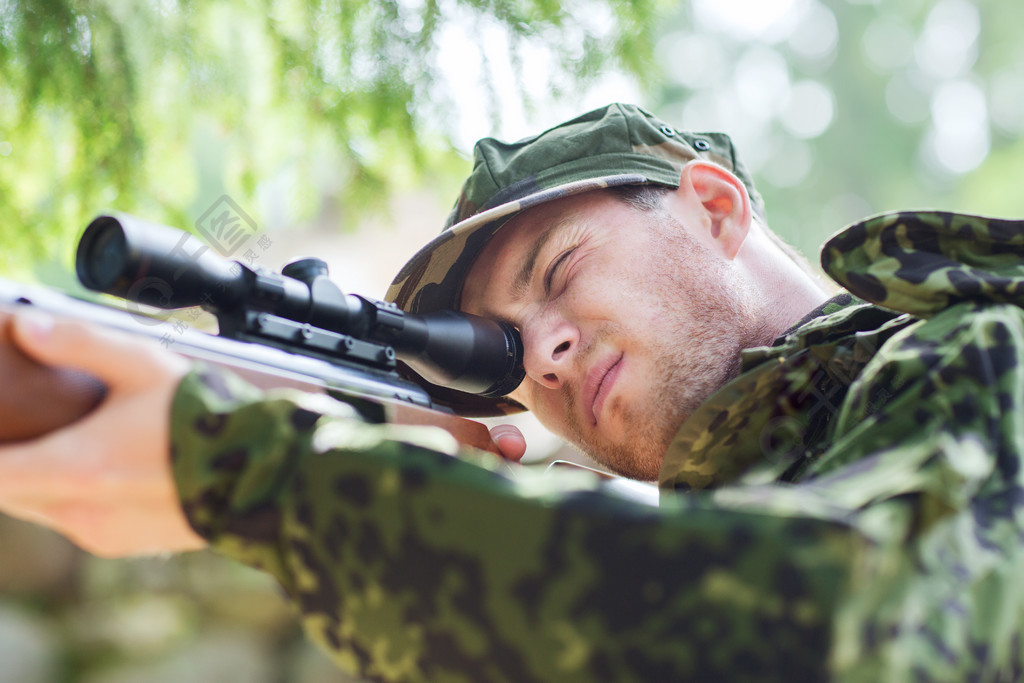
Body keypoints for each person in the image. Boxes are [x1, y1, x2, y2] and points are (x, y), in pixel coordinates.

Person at [1, 102, 1022, 680]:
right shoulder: (715, 514)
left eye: (562, 269)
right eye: (501, 346)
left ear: (710, 206)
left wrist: (265, 483)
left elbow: (870, 630)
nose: (543, 355)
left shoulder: (975, 345)